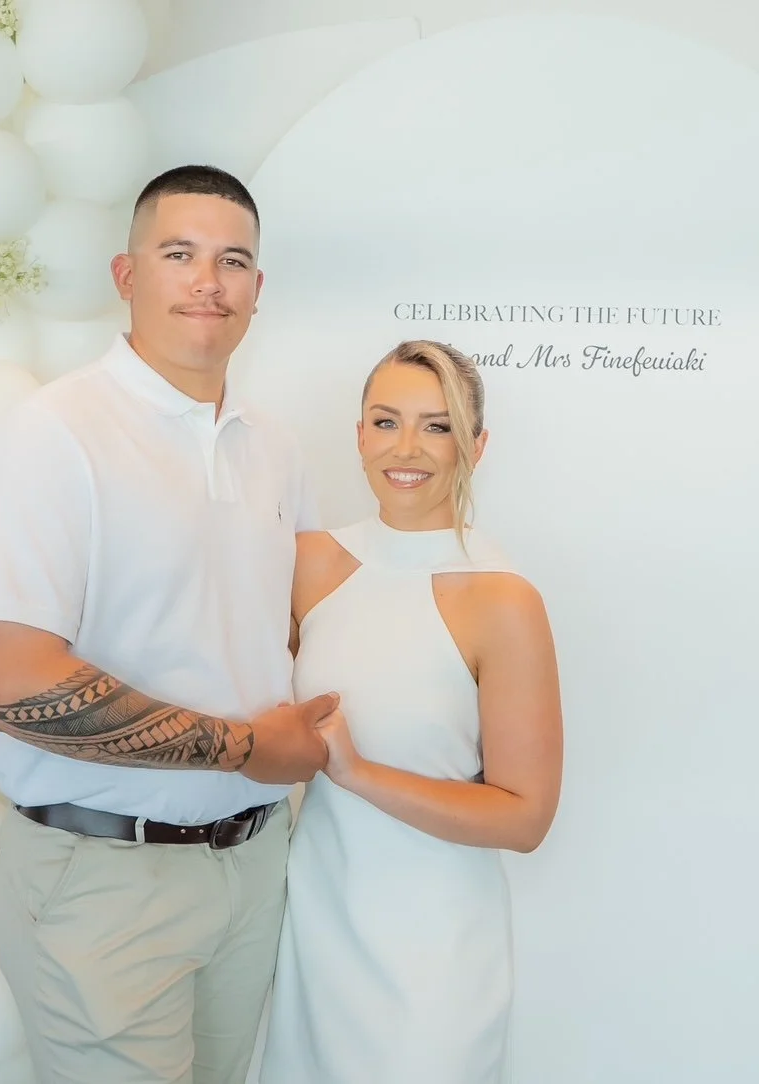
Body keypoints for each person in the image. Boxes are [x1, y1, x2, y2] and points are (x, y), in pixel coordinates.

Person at [0, 164, 337, 1084]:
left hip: (252, 867)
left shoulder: (274, 445)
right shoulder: (56, 432)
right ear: (128, 277)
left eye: (234, 260)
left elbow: (317, 623)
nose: (209, 281)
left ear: (258, 289)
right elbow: (10, 684)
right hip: (103, 875)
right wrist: (249, 749)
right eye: (180, 254)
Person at [259, 341, 565, 1083]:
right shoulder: (308, 563)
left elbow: (523, 818)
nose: (407, 448)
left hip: (436, 952)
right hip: (315, 927)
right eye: (386, 421)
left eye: (437, 426)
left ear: (476, 445)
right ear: (359, 434)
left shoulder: (502, 599)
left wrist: (359, 774)